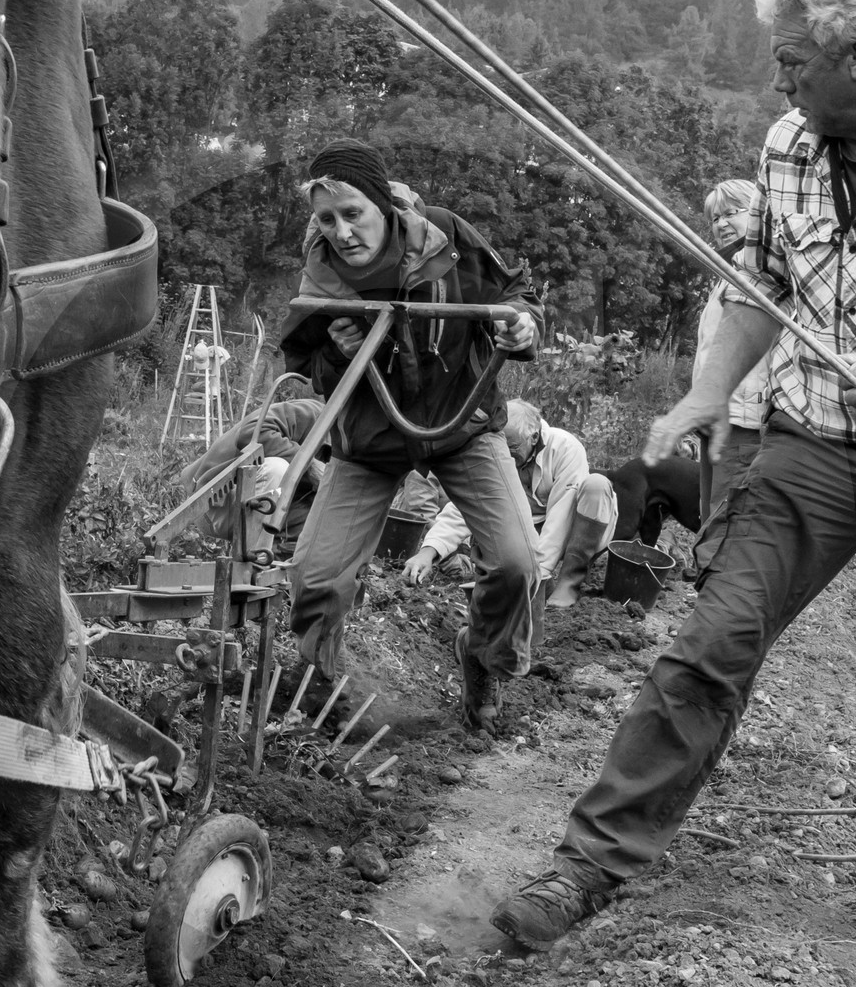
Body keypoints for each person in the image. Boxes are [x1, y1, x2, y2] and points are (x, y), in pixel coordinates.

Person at [492, 0, 856, 987]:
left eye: (794, 58)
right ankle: (590, 863)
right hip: (813, 441)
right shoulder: (793, 144)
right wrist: (704, 395)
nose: (778, 78)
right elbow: (762, 294)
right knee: (710, 642)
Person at [278, 140, 543, 732]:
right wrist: (337, 353)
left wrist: (522, 328)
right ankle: (324, 687)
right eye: (328, 219)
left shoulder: (444, 237)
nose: (343, 231)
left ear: (383, 204)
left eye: (354, 214)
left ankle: (481, 656)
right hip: (371, 438)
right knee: (316, 576)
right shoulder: (320, 277)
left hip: (462, 424)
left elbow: (514, 297)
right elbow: (303, 364)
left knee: (516, 562)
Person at [402, 400, 616, 609]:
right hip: (530, 530)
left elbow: (560, 519)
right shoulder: (496, 451)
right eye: (502, 447)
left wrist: (533, 575)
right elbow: (468, 507)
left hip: (576, 526)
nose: (507, 456)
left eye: (512, 448)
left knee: (595, 485)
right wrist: (428, 551)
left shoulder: (565, 448)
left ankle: (569, 583)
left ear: (533, 437)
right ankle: (533, 581)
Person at [694, 177, 771, 516]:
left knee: (727, 524)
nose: (721, 224)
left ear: (756, 212)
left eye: (731, 213)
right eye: (715, 218)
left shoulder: (765, 271)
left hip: (743, 422)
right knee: (710, 516)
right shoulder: (729, 273)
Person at [178, 393, 326, 554]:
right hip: (213, 501)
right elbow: (249, 433)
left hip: (257, 510)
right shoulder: (314, 414)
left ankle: (277, 560)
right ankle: (254, 557)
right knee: (278, 468)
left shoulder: (349, 464)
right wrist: (309, 464)